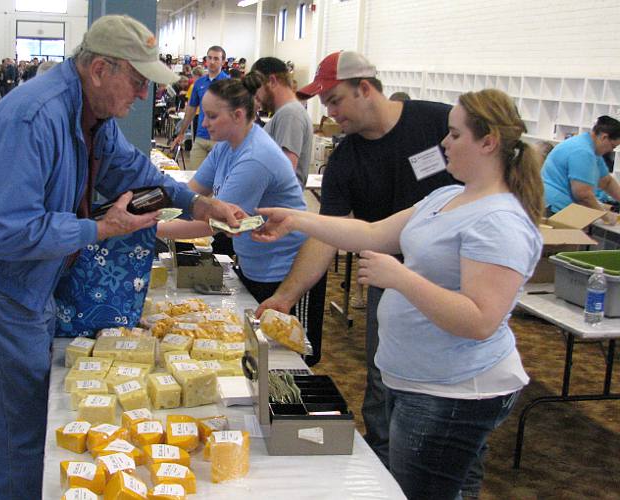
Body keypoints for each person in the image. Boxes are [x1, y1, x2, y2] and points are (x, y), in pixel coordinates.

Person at [0, 15, 244, 499]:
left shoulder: (90, 114)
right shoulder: (33, 119)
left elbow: (129, 169)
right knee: (15, 428)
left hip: (31, 277)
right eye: (138, 80)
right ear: (100, 68)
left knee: (21, 419)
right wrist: (99, 228)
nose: (145, 95)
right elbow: (5, 230)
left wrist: (197, 203)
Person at [254, 88, 543, 500]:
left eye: (455, 135)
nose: (444, 143)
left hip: (452, 389)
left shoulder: (500, 221)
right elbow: (372, 231)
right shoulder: (448, 196)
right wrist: (298, 220)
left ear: (488, 142)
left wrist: (401, 277)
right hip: (421, 380)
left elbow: (480, 320)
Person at [255, 50, 456, 472]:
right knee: (384, 386)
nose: (329, 112)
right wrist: (286, 297)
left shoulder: (441, 125)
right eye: (324, 103)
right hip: (390, 283)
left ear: (366, 89)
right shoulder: (345, 161)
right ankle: (385, 473)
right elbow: (330, 234)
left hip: (458, 282)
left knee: (452, 398)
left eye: (335, 100)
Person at [158, 75, 307, 303]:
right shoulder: (226, 148)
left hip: (284, 272)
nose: (204, 124)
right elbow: (190, 196)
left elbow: (211, 223)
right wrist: (157, 212)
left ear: (238, 115)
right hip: (254, 261)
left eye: (212, 116)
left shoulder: (255, 158)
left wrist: (149, 228)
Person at [541, 115, 620, 223]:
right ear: (604, 137)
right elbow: (583, 194)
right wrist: (605, 215)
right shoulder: (583, 151)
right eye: (612, 146)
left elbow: (606, 181)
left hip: (555, 206)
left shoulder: (591, 148)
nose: (610, 150)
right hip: (554, 209)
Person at [249, 56, 313, 187]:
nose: (256, 96)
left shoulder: (290, 114)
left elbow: (285, 174)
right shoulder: (286, 113)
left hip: (277, 203)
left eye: (257, 87)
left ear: (272, 81)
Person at [171, 45, 230, 169]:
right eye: (210, 58)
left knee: (218, 181)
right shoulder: (199, 83)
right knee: (195, 177)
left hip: (221, 140)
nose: (212, 62)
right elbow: (191, 109)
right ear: (206, 60)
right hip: (201, 137)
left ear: (223, 61)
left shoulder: (229, 83)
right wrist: (181, 133)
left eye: (216, 59)